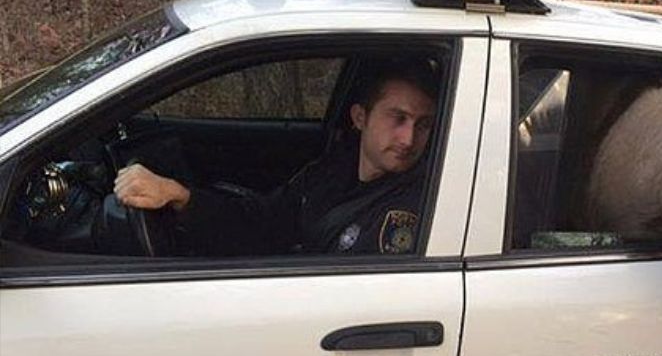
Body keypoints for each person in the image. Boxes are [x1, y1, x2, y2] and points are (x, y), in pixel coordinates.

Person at [113, 57, 439, 256]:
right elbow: (267, 221)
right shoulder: (334, 168)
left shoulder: (417, 203)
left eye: (423, 125)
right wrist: (180, 197)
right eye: (397, 118)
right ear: (359, 117)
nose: (408, 139)